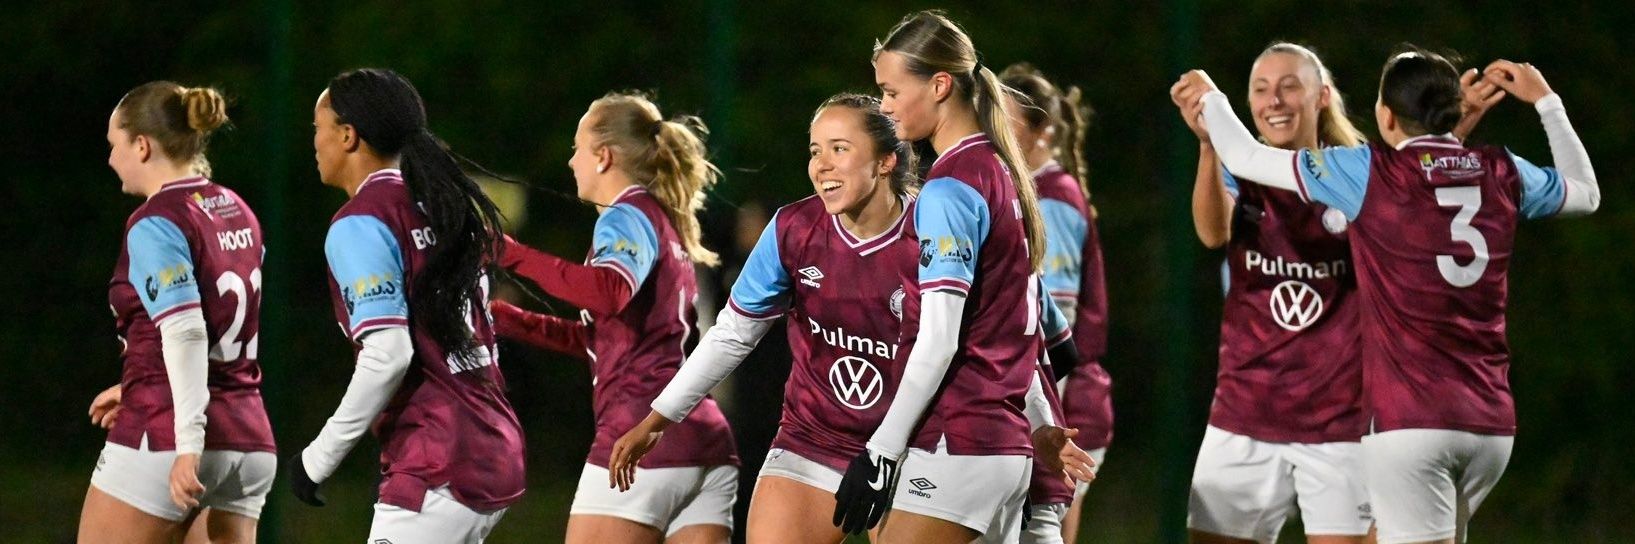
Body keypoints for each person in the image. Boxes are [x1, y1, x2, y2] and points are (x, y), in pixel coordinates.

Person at [1175, 49, 1600, 544]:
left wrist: (1211, 99)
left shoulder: (1368, 173)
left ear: (1383, 114)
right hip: (1489, 420)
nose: (1274, 98)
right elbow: (1584, 193)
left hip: (1404, 418)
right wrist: (1547, 103)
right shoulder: (1498, 169)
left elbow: (1247, 154)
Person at [601, 92, 919, 544]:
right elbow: (732, 333)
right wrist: (657, 419)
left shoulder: (934, 234)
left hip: (915, 447)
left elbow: (974, 341)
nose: (822, 164)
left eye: (839, 149)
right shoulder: (793, 230)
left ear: (886, 162)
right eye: (815, 150)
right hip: (813, 439)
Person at [832, 10, 1096, 543]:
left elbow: (939, 339)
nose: (882, 107)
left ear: (939, 84)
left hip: (958, 443)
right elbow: (1023, 325)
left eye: (890, 91)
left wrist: (881, 451)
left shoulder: (950, 187)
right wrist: (1042, 424)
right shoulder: (1001, 171)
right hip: (1002, 445)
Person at [288, 68, 525, 544]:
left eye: (318, 128)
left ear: (349, 135)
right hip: (491, 440)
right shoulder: (441, 207)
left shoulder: (361, 222)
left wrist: (319, 457)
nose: (313, 142)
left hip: (439, 458)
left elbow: (388, 354)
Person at [492, 91, 738, 544]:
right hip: (705, 440)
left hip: (641, 437)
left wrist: (512, 255)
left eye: (577, 148)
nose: (571, 163)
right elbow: (606, 339)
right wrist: (508, 319)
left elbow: (608, 291)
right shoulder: (663, 221)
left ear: (603, 156)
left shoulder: (625, 215)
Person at [80, 82, 276, 544]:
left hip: (169, 437)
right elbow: (220, 323)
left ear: (142, 146)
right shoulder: (237, 209)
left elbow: (187, 332)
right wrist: (137, 383)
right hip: (250, 439)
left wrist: (188, 444)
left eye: (115, 145)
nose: (111, 159)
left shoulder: (156, 221)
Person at [1002, 63, 1116, 544]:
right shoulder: (1022, 193)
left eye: (1006, 123)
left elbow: (1058, 329)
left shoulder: (1053, 200)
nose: (994, 134)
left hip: (1065, 402)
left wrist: (1047, 421)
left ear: (1042, 131)